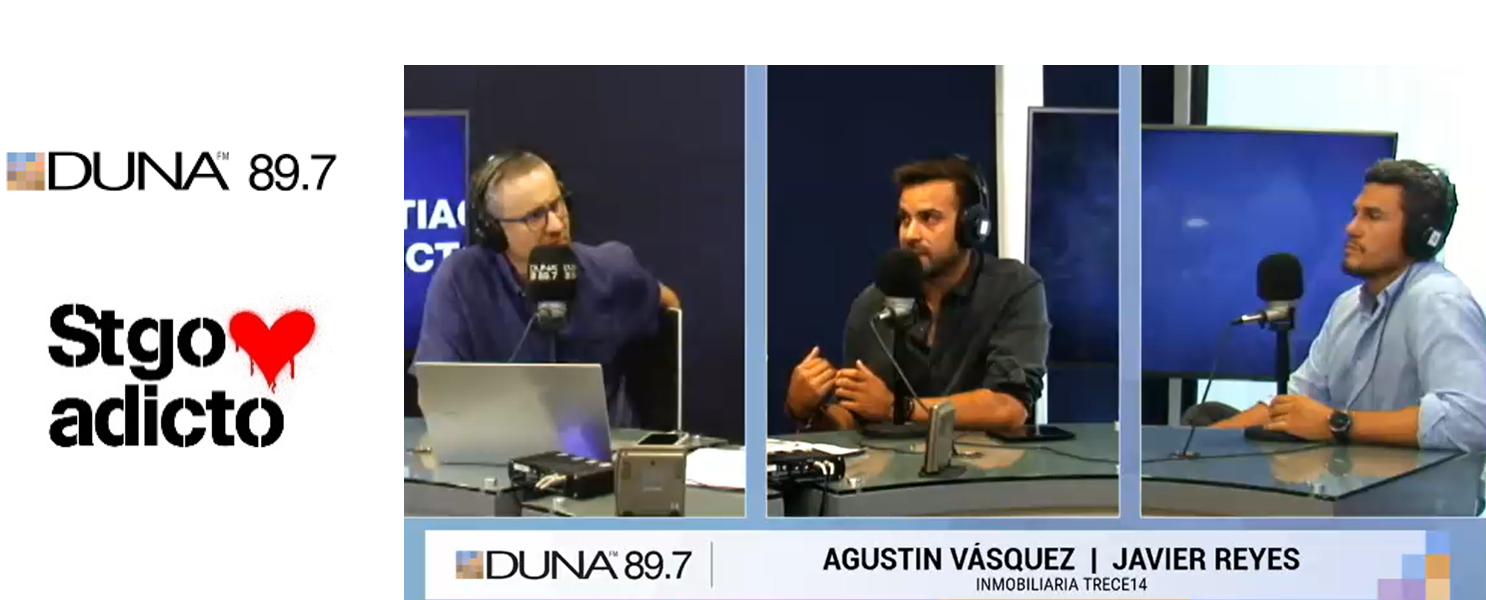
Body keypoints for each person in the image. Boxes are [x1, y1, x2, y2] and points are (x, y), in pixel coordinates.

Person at [1202, 159, 1486, 453]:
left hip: (1417, 484)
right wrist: (1199, 445)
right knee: (1203, 417)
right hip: (1350, 480)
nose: (1352, 228)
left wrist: (1337, 423)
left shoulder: (1439, 301)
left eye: (1373, 216)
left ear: (1420, 236)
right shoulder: (1347, 306)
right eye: (1355, 214)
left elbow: (1469, 419)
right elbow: (1299, 399)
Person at [413, 151, 679, 426]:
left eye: (556, 205)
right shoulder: (460, 280)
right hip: (498, 446)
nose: (556, 225)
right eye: (535, 216)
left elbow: (670, 307)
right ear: (495, 230)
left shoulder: (611, 271)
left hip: (595, 448)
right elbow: (435, 395)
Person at [784, 156, 1051, 431]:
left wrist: (897, 408)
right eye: (904, 219)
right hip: (894, 460)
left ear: (971, 226)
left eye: (929, 218)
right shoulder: (872, 303)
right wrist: (806, 411)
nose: (910, 234)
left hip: (989, 458)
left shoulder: (1013, 288)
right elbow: (854, 417)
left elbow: (1009, 407)